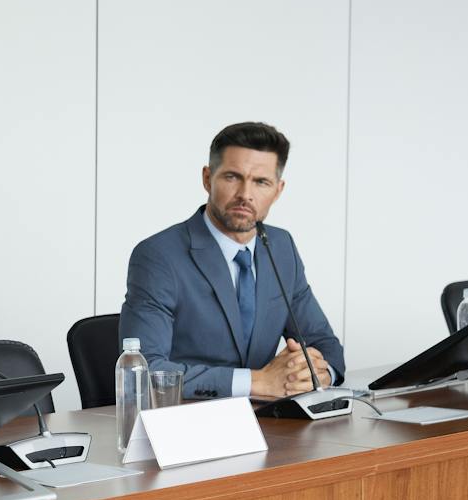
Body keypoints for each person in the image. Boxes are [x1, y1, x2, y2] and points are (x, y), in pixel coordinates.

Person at [119, 122, 345, 401]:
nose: (245, 194)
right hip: (185, 423)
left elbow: (325, 345)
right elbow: (143, 372)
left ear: (278, 189)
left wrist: (318, 373)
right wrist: (257, 382)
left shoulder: (280, 246)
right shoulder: (159, 255)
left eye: (261, 182)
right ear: (207, 178)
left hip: (268, 423)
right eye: (232, 177)